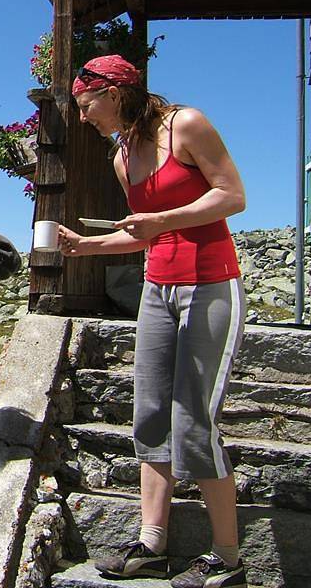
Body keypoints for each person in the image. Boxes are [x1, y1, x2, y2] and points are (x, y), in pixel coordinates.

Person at [58, 54, 248, 588]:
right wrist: (88, 246)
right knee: (149, 418)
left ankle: (228, 560)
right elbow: (142, 233)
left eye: (87, 106)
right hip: (157, 289)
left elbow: (232, 196)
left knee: (194, 424)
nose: (83, 117)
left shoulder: (186, 124)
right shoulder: (123, 157)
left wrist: (163, 218)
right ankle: (152, 545)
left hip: (210, 284)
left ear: (115, 95)